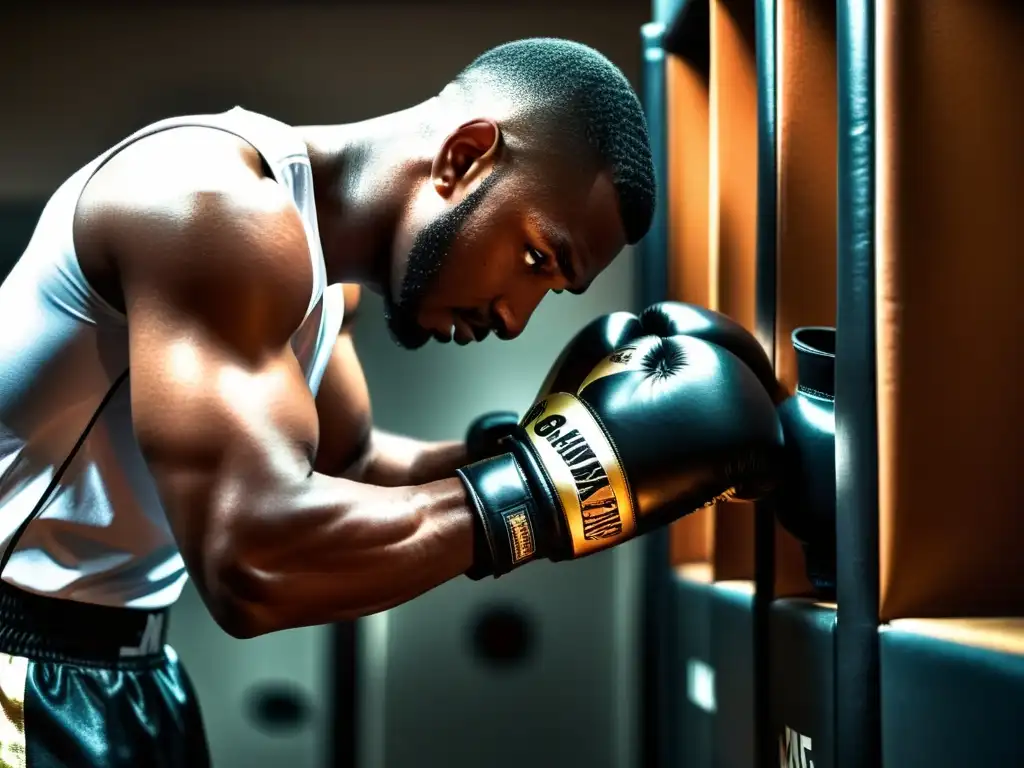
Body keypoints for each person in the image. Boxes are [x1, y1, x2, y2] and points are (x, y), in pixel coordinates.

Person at [0, 38, 783, 767]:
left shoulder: (316, 274)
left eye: (553, 287)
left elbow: (356, 466)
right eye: (537, 257)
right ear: (464, 158)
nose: (515, 318)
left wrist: (549, 445)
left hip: (125, 670)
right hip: (23, 667)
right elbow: (256, 559)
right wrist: (543, 490)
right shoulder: (210, 206)